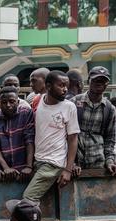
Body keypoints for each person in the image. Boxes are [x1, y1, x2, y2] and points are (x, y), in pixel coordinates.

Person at [23, 71, 79, 203]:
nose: (65, 89)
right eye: (61, 85)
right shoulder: (37, 101)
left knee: (28, 198)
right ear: (48, 86)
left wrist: (68, 170)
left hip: (54, 163)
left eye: (66, 85)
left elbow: (73, 139)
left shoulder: (69, 107)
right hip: (38, 160)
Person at [71, 66, 116, 174]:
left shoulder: (109, 109)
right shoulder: (74, 102)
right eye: (96, 80)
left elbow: (110, 140)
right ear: (89, 81)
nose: (99, 83)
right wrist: (70, 163)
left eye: (103, 81)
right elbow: (65, 136)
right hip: (75, 163)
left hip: (98, 163)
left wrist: (110, 162)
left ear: (107, 84)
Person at [0, 86, 35, 182]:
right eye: (4, 102)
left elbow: (29, 139)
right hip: (3, 170)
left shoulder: (26, 113)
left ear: (17, 102)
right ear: (0, 103)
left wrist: (29, 166)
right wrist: (6, 168)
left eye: (12, 101)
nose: (8, 105)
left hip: (24, 168)